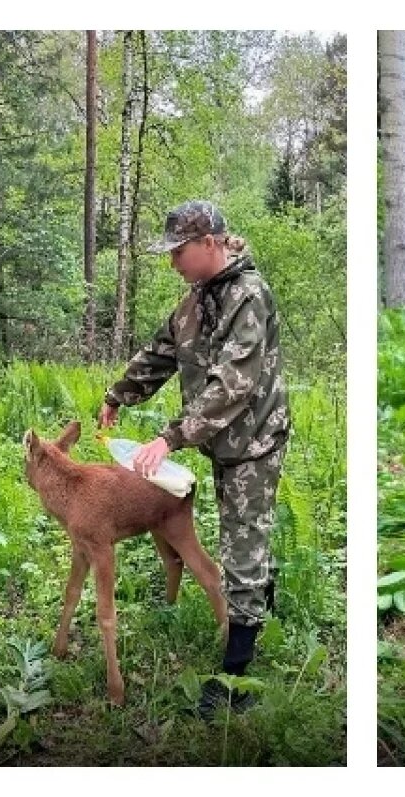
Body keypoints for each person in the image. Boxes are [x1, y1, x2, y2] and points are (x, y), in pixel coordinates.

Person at [99, 200, 289, 719]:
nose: (174, 262)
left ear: (210, 244)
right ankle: (260, 599)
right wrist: (119, 394)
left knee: (242, 543)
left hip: (255, 442)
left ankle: (234, 677)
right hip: (222, 443)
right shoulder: (195, 301)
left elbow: (233, 384)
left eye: (179, 251)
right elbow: (160, 352)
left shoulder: (248, 298)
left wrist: (170, 438)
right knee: (246, 532)